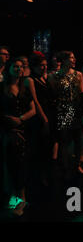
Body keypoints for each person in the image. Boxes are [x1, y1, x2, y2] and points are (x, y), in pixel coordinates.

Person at [0, 58, 36, 216]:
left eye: (21, 67)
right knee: (12, 167)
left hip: (24, 131)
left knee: (21, 166)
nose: (18, 69)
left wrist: (20, 119)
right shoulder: (2, 88)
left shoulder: (24, 88)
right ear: (9, 69)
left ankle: (20, 199)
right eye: (15, 66)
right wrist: (9, 121)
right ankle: (17, 199)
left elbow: (33, 109)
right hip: (7, 132)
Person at [48, 51, 83, 181]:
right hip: (62, 111)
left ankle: (78, 164)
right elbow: (52, 94)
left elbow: (81, 93)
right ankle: (65, 167)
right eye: (71, 57)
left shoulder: (79, 74)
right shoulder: (54, 76)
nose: (74, 60)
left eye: (74, 57)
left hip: (76, 110)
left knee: (78, 140)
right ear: (63, 60)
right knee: (64, 141)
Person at [26, 51, 53, 186]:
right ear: (35, 66)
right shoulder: (31, 79)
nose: (45, 67)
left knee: (47, 146)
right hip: (39, 116)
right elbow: (36, 101)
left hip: (48, 113)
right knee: (39, 147)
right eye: (42, 65)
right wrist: (45, 119)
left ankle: (46, 174)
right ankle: (39, 177)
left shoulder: (45, 78)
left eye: (46, 65)